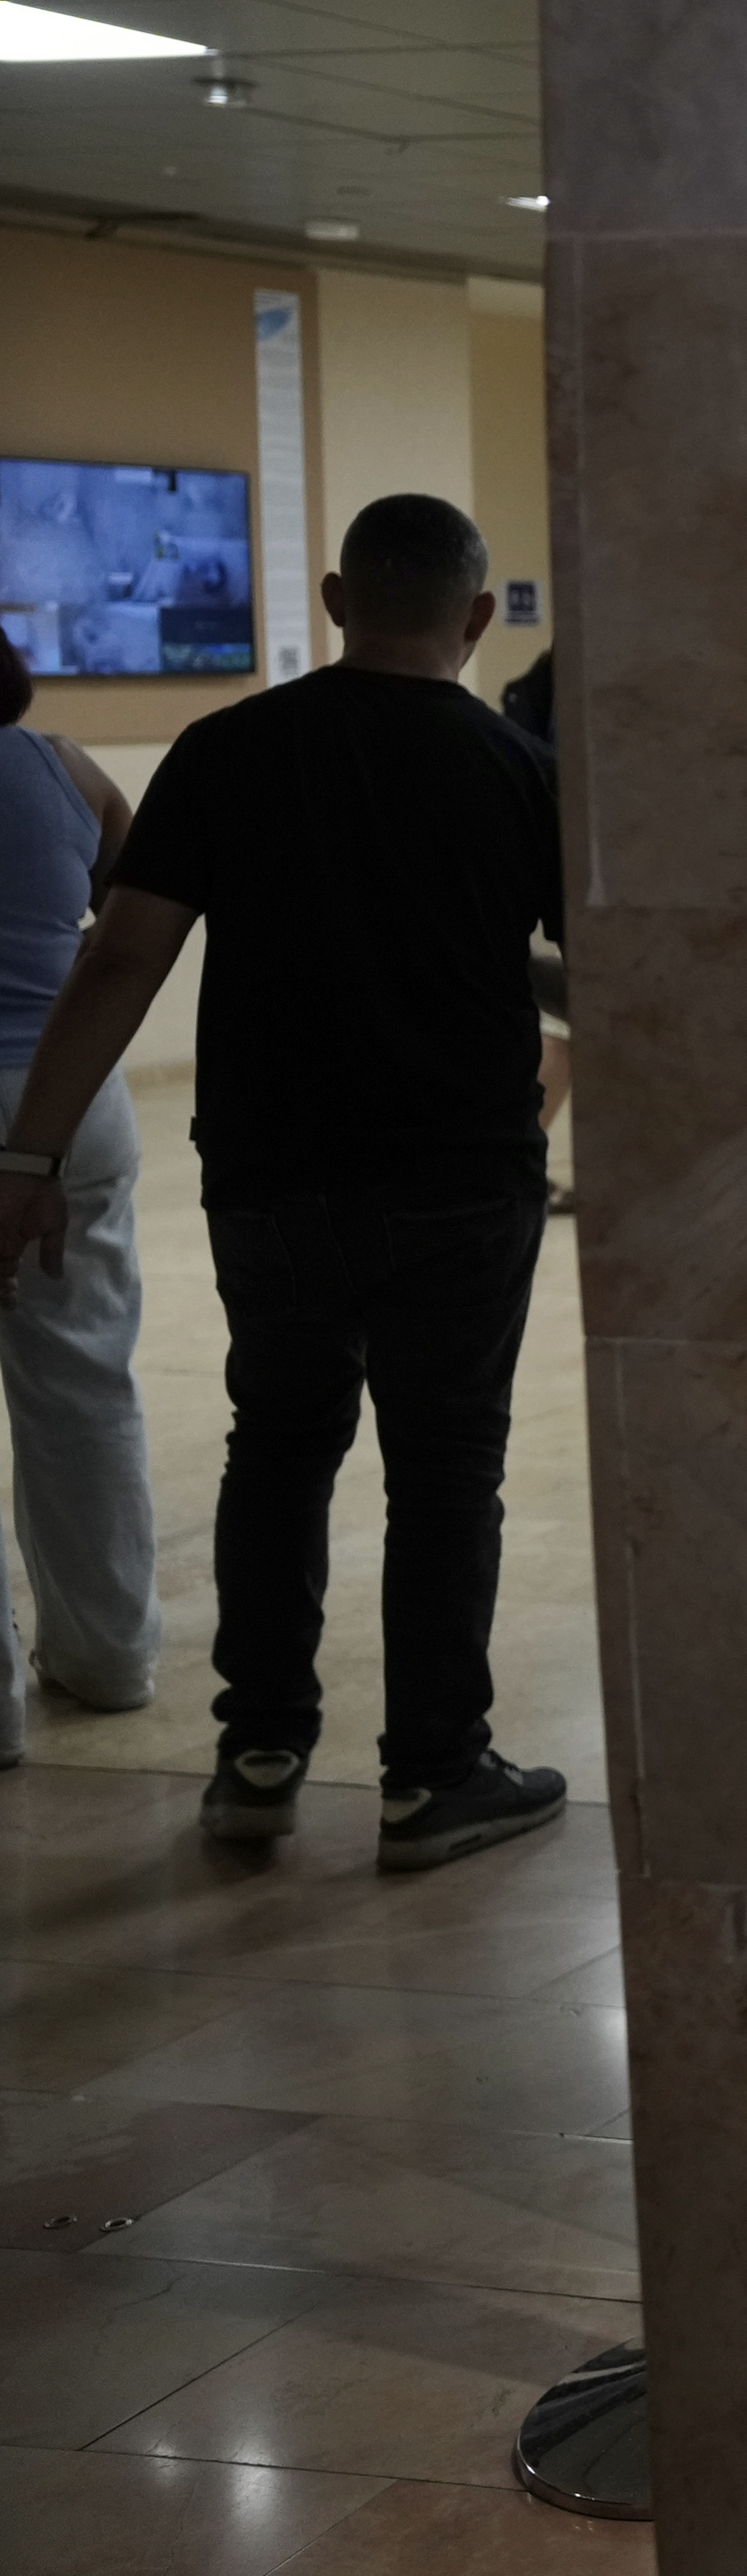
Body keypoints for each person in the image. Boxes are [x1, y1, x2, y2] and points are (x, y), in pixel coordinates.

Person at [0, 493, 569, 1869]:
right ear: (481, 616)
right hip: (460, 1176)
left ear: (331, 598)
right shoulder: (519, 767)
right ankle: (434, 1776)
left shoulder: (228, 750)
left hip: (271, 1174)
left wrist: (27, 1152)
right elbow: (593, 966)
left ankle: (258, 1754)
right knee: (447, 1472)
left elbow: (123, 955)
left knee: (279, 1444)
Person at [0, 628, 152, 1764]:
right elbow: (131, 910)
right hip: (70, 1105)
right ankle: (107, 1658)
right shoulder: (66, 765)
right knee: (84, 1383)